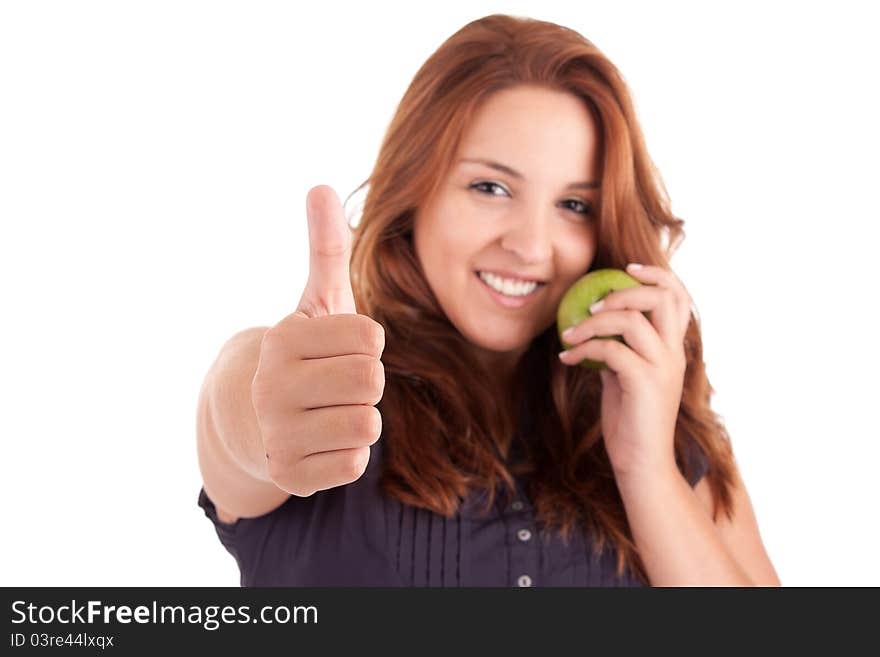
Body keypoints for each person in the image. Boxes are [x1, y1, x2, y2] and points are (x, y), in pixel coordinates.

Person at [196, 13, 781, 587]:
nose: (530, 247)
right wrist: (261, 397)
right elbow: (239, 411)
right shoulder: (325, 397)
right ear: (414, 188)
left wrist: (645, 468)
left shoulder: (659, 429)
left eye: (574, 205)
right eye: (491, 187)